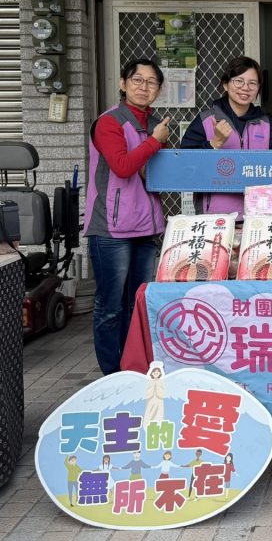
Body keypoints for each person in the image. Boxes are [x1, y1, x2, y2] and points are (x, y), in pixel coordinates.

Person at [85, 57, 169, 376]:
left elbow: (160, 172)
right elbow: (122, 167)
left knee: (137, 306)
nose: (144, 87)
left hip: (146, 229)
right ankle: (112, 375)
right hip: (112, 229)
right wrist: (155, 142)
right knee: (110, 307)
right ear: (123, 83)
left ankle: (132, 369)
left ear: (158, 89)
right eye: (137, 80)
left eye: (151, 82)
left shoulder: (155, 123)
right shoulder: (109, 122)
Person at [181, 56, 272, 217]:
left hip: (259, 215)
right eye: (239, 81)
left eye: (252, 83)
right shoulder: (206, 120)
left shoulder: (266, 124)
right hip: (215, 216)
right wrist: (214, 143)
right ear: (225, 84)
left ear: (258, 88)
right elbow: (185, 165)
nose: (245, 88)